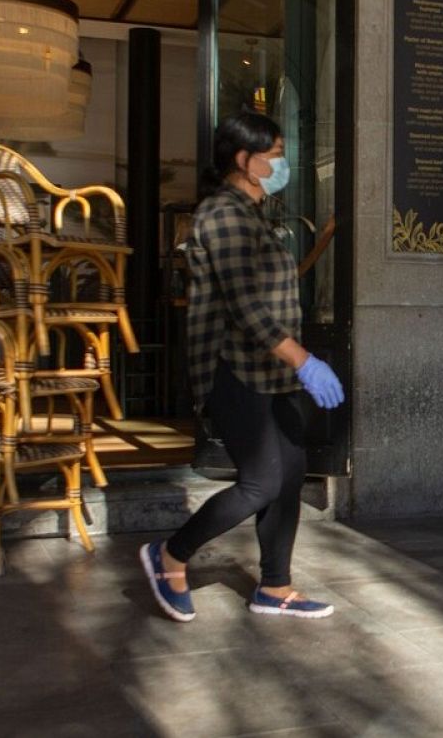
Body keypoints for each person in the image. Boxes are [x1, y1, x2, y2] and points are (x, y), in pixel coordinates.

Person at [141, 112, 345, 622]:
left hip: (271, 371)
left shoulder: (255, 215)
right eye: (274, 155)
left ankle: (275, 587)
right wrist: (305, 360)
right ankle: (170, 555)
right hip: (231, 367)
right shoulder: (222, 214)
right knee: (261, 482)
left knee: (290, 474)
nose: (282, 164)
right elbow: (245, 306)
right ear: (244, 160)